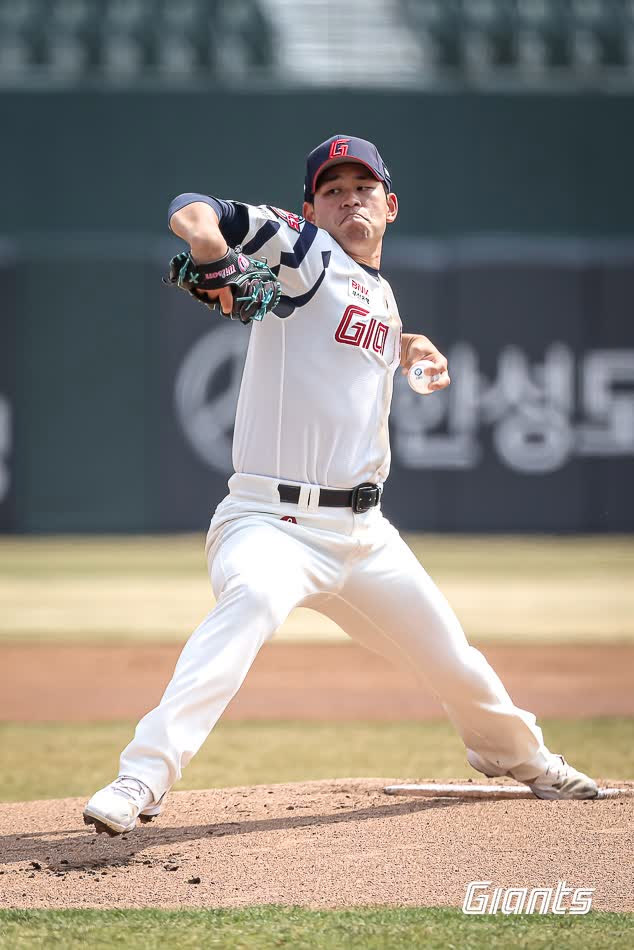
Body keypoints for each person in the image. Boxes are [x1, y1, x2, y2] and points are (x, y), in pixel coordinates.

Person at [84, 134, 597, 835]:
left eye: (363, 188)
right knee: (252, 601)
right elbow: (193, 207)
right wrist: (209, 247)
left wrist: (408, 344)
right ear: (311, 209)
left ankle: (521, 756)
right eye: (333, 190)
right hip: (271, 524)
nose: (349, 199)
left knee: (453, 659)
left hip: (364, 537)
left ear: (390, 205)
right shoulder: (305, 252)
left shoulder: (379, 292)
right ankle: (142, 776)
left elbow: (360, 333)